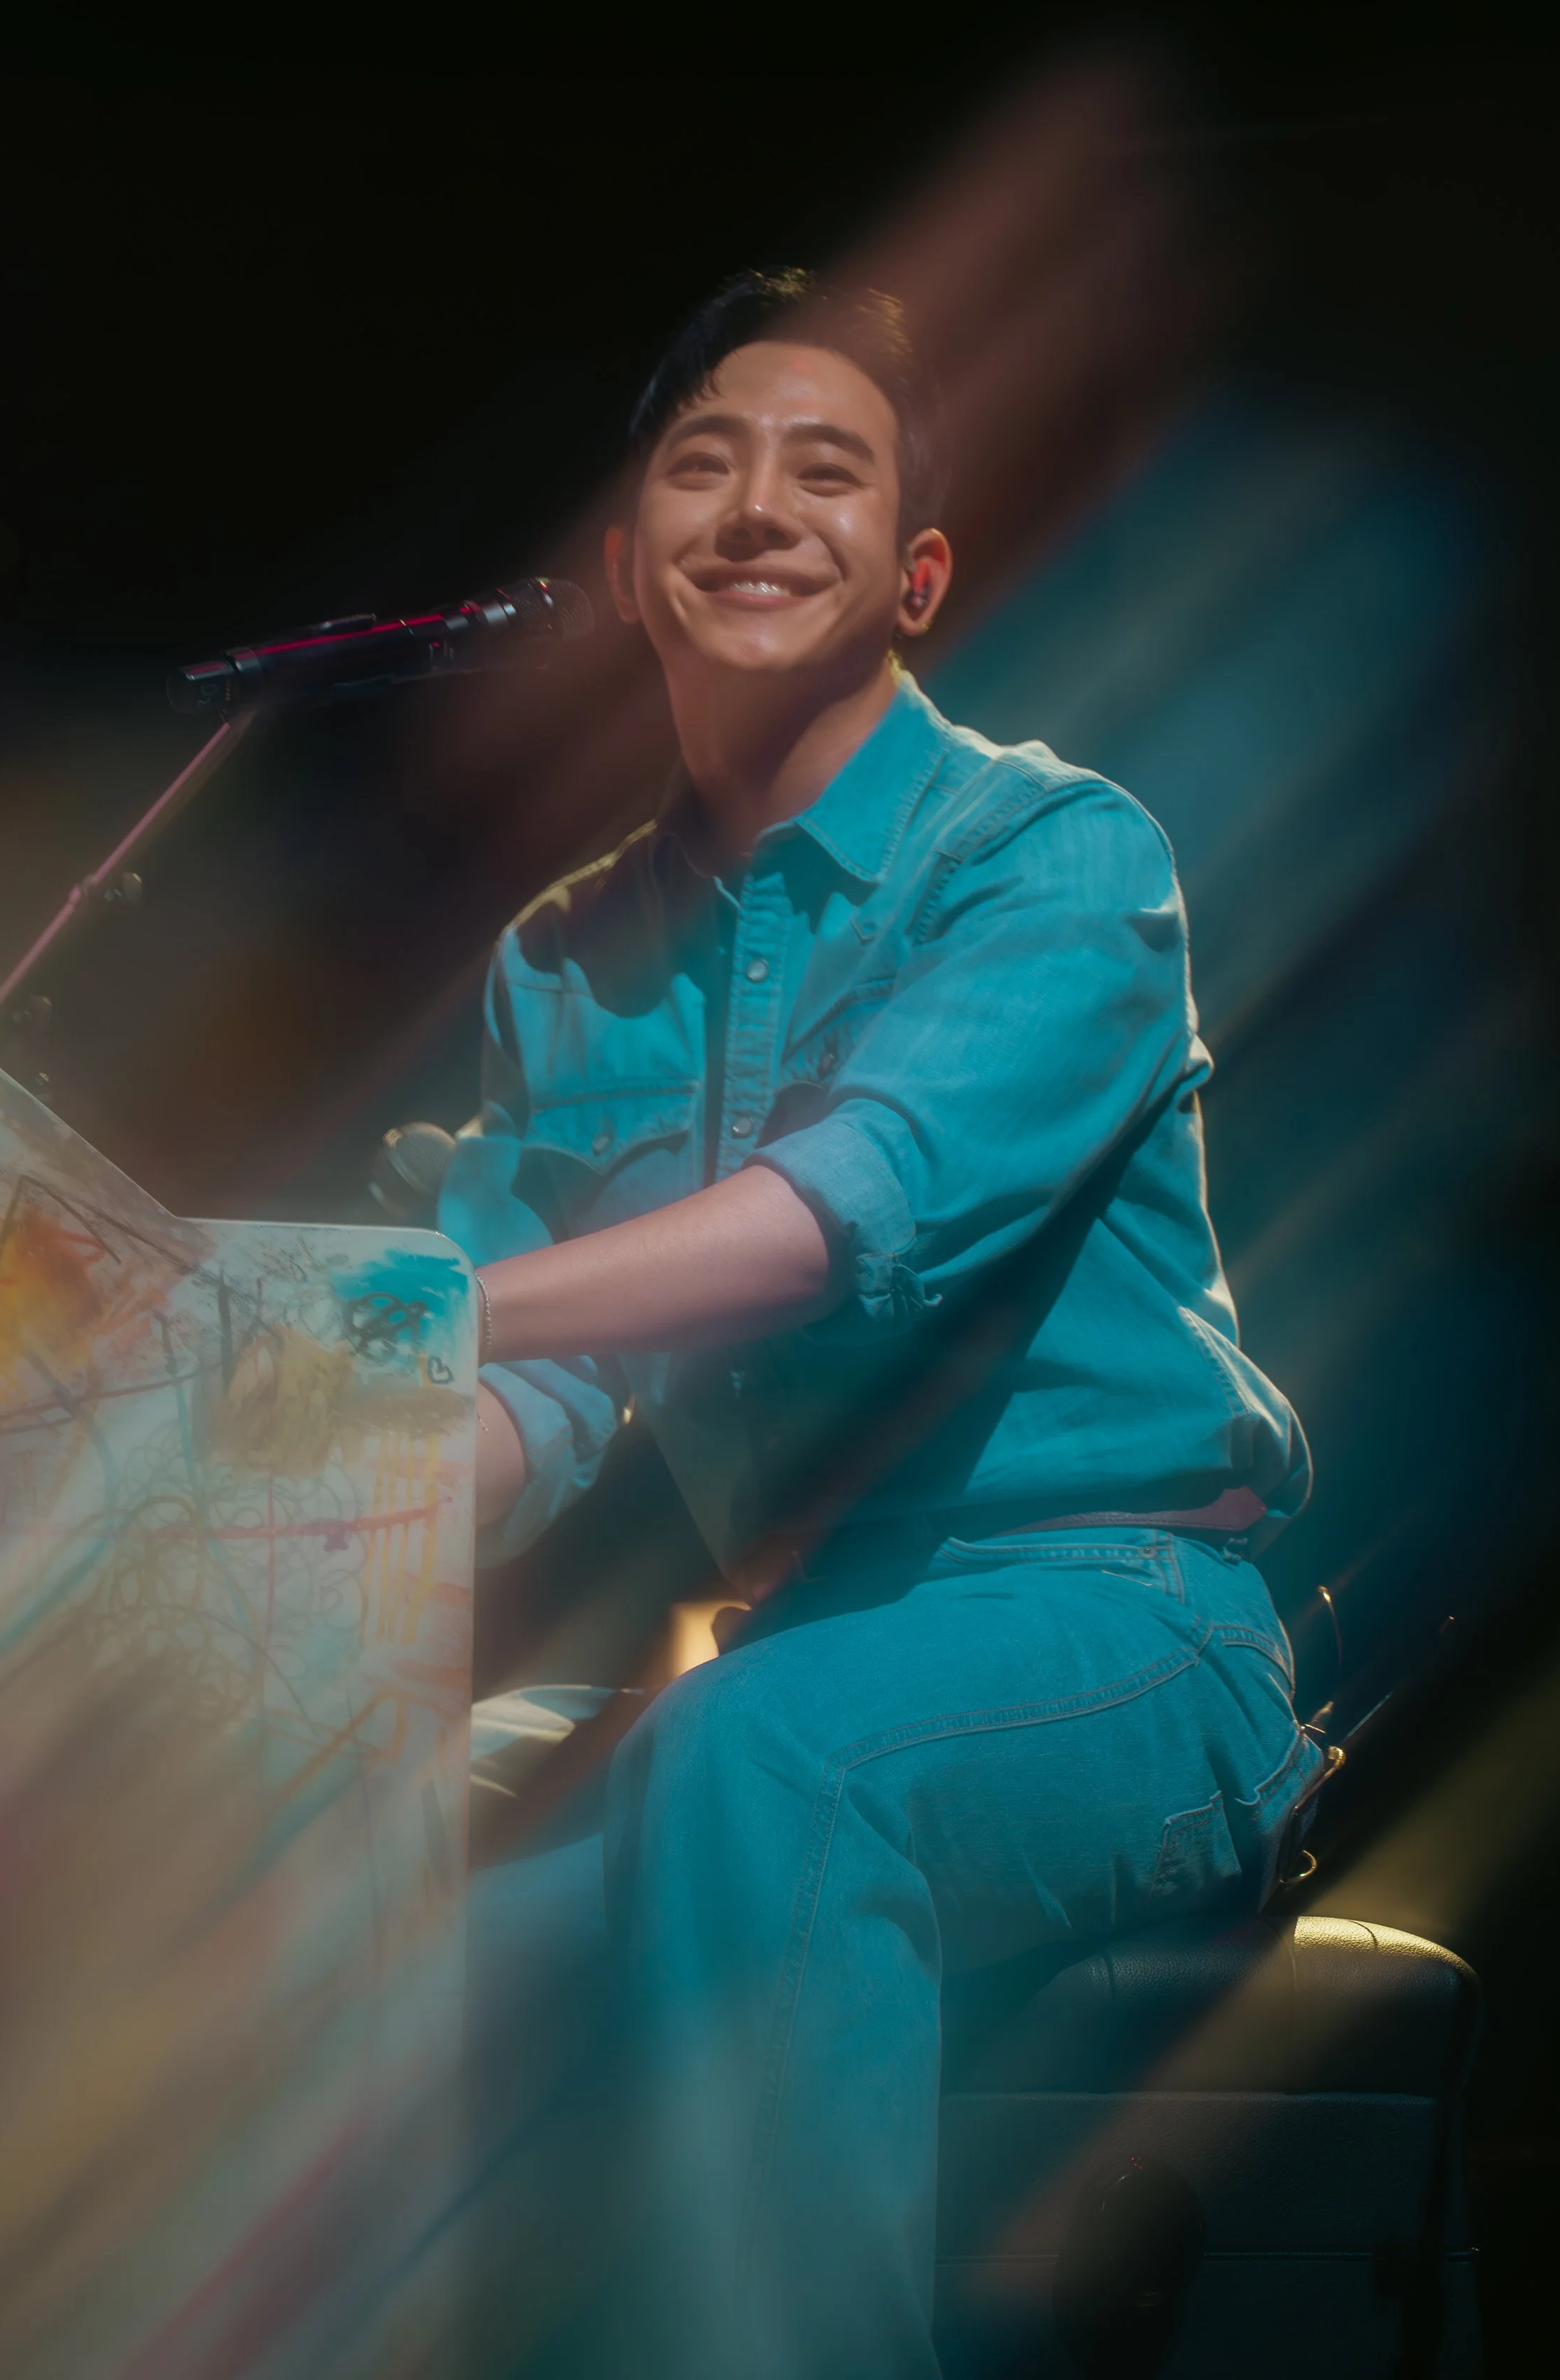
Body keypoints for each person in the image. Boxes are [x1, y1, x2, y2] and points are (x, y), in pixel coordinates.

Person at [440, 269, 1318, 2380]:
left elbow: (826, 1227)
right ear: (625, 564)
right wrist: (204, 1447)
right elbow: (512, 1400)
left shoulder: (1055, 858)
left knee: (756, 1758)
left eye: (824, 471)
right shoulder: (565, 960)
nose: (757, 507)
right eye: (704, 463)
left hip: (1124, 1627)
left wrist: (397, 1316)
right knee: (394, 1882)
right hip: (806, 1656)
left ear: (916, 573)